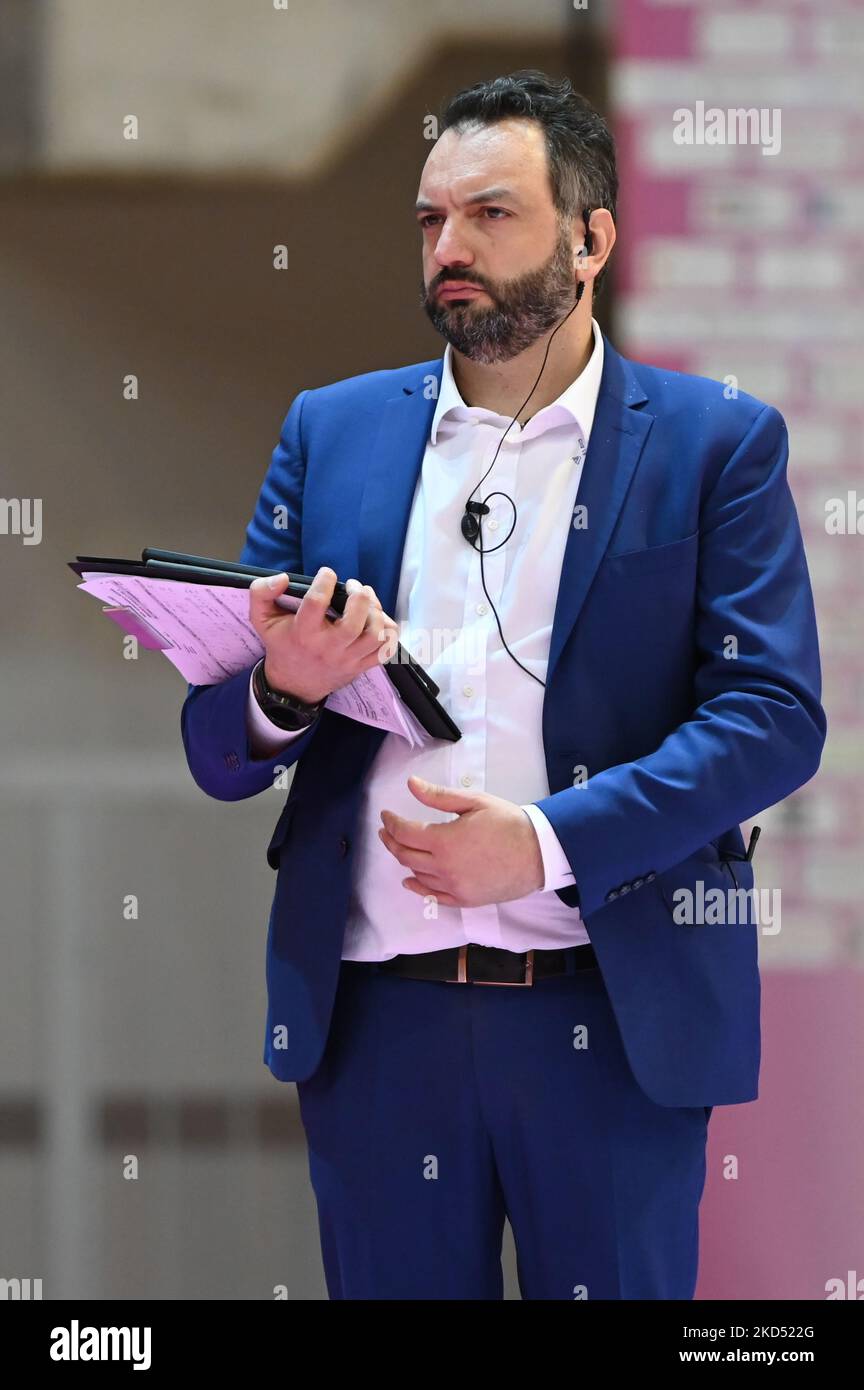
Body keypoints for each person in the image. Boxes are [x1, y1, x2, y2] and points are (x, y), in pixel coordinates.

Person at [180, 71, 826, 1300]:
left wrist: (543, 842)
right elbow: (215, 744)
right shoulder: (334, 430)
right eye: (430, 221)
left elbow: (773, 720)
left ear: (590, 242)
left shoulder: (713, 443)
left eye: (490, 215)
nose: (449, 249)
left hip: (611, 1017)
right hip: (377, 1026)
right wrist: (284, 688)